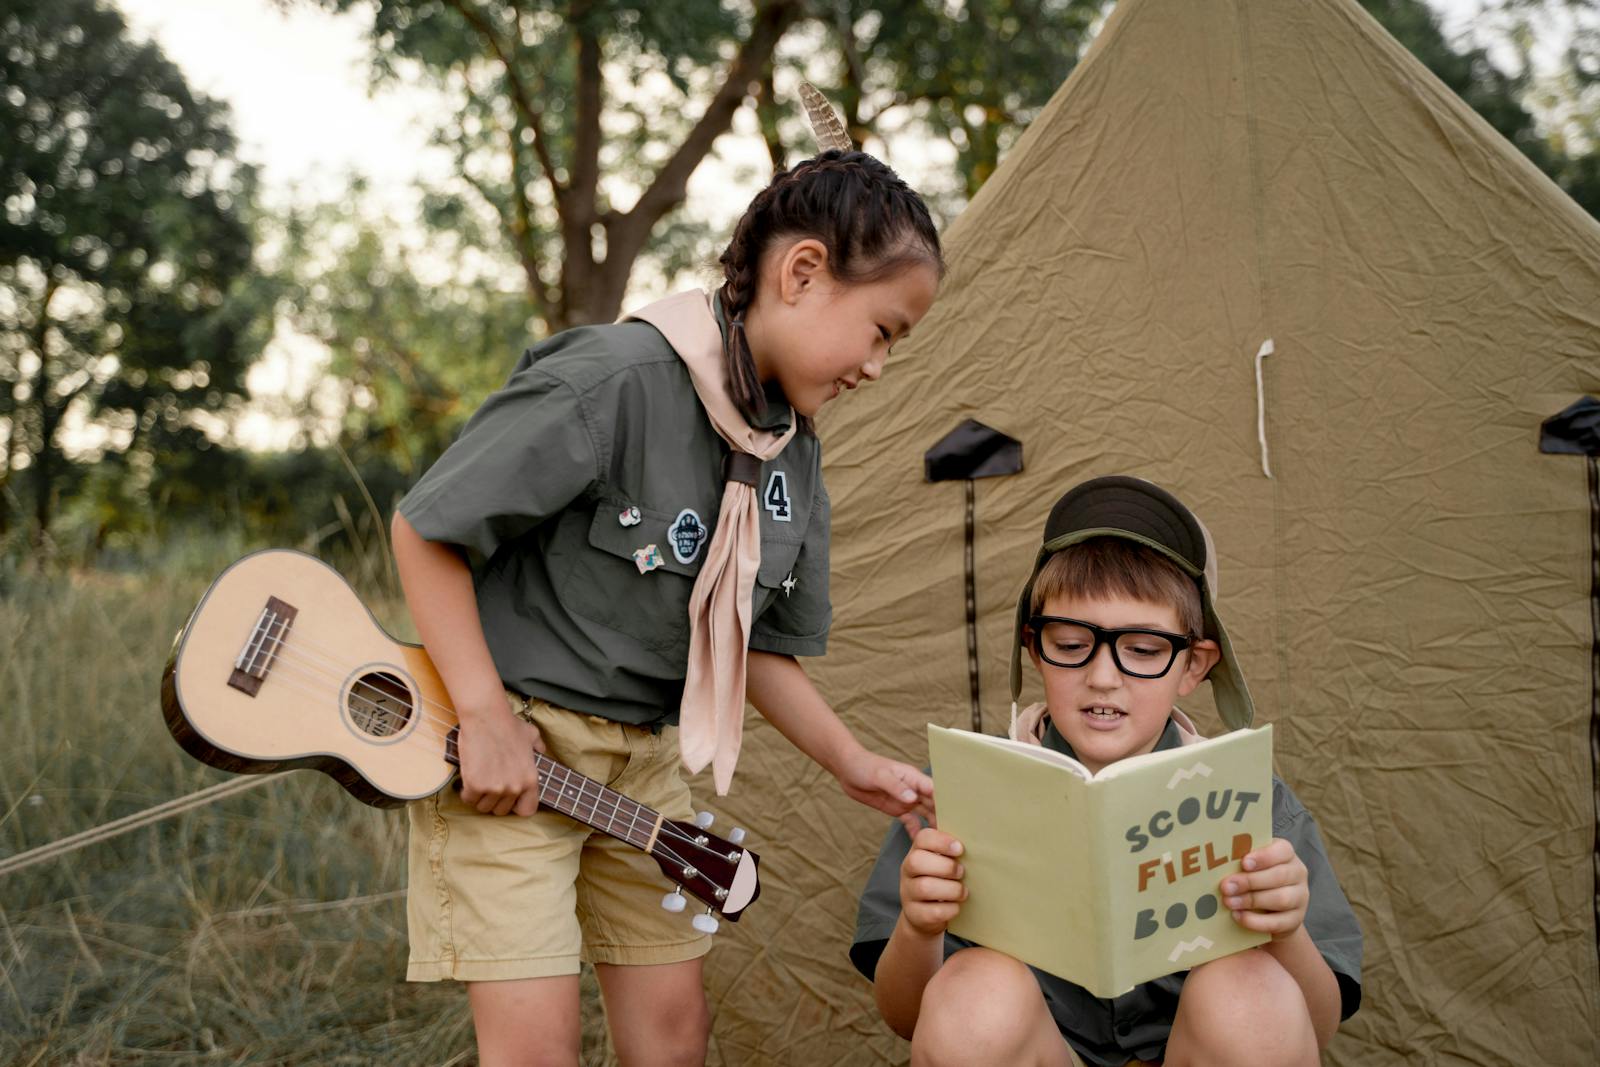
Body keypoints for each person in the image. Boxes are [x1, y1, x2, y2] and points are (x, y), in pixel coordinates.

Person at [391, 149, 943, 1067]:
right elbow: (426, 532)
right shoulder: (615, 380)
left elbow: (756, 644)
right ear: (802, 272)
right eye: (881, 330)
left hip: (643, 770)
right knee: (535, 1047)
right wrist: (484, 715)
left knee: (676, 1036)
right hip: (512, 752)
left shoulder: (791, 457)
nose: (879, 367)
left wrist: (853, 762)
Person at [851, 476, 1363, 1067]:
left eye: (1144, 651)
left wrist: (1286, 929)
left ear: (1193, 667)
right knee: (975, 988)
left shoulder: (1255, 803)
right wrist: (919, 927)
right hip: (1036, 1054)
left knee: (1249, 990)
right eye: (1070, 644)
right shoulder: (958, 792)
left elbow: (1314, 1030)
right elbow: (907, 1020)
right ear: (1034, 648)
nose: (1103, 678)